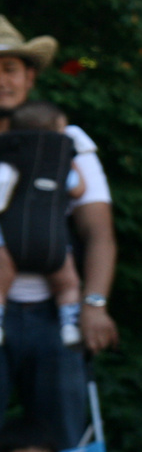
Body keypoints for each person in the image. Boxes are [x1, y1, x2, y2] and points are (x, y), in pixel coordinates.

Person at [0, 16, 120, 446]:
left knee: (68, 443)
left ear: (30, 75)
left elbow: (98, 232)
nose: (1, 80)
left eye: (9, 68)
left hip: (57, 316)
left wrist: (94, 302)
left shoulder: (66, 140)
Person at [2, 100, 88, 346]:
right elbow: (79, 190)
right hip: (52, 239)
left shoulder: (10, 162)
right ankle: (69, 324)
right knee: (68, 283)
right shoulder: (60, 168)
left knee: (0, 282)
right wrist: (69, 161)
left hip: (9, 239)